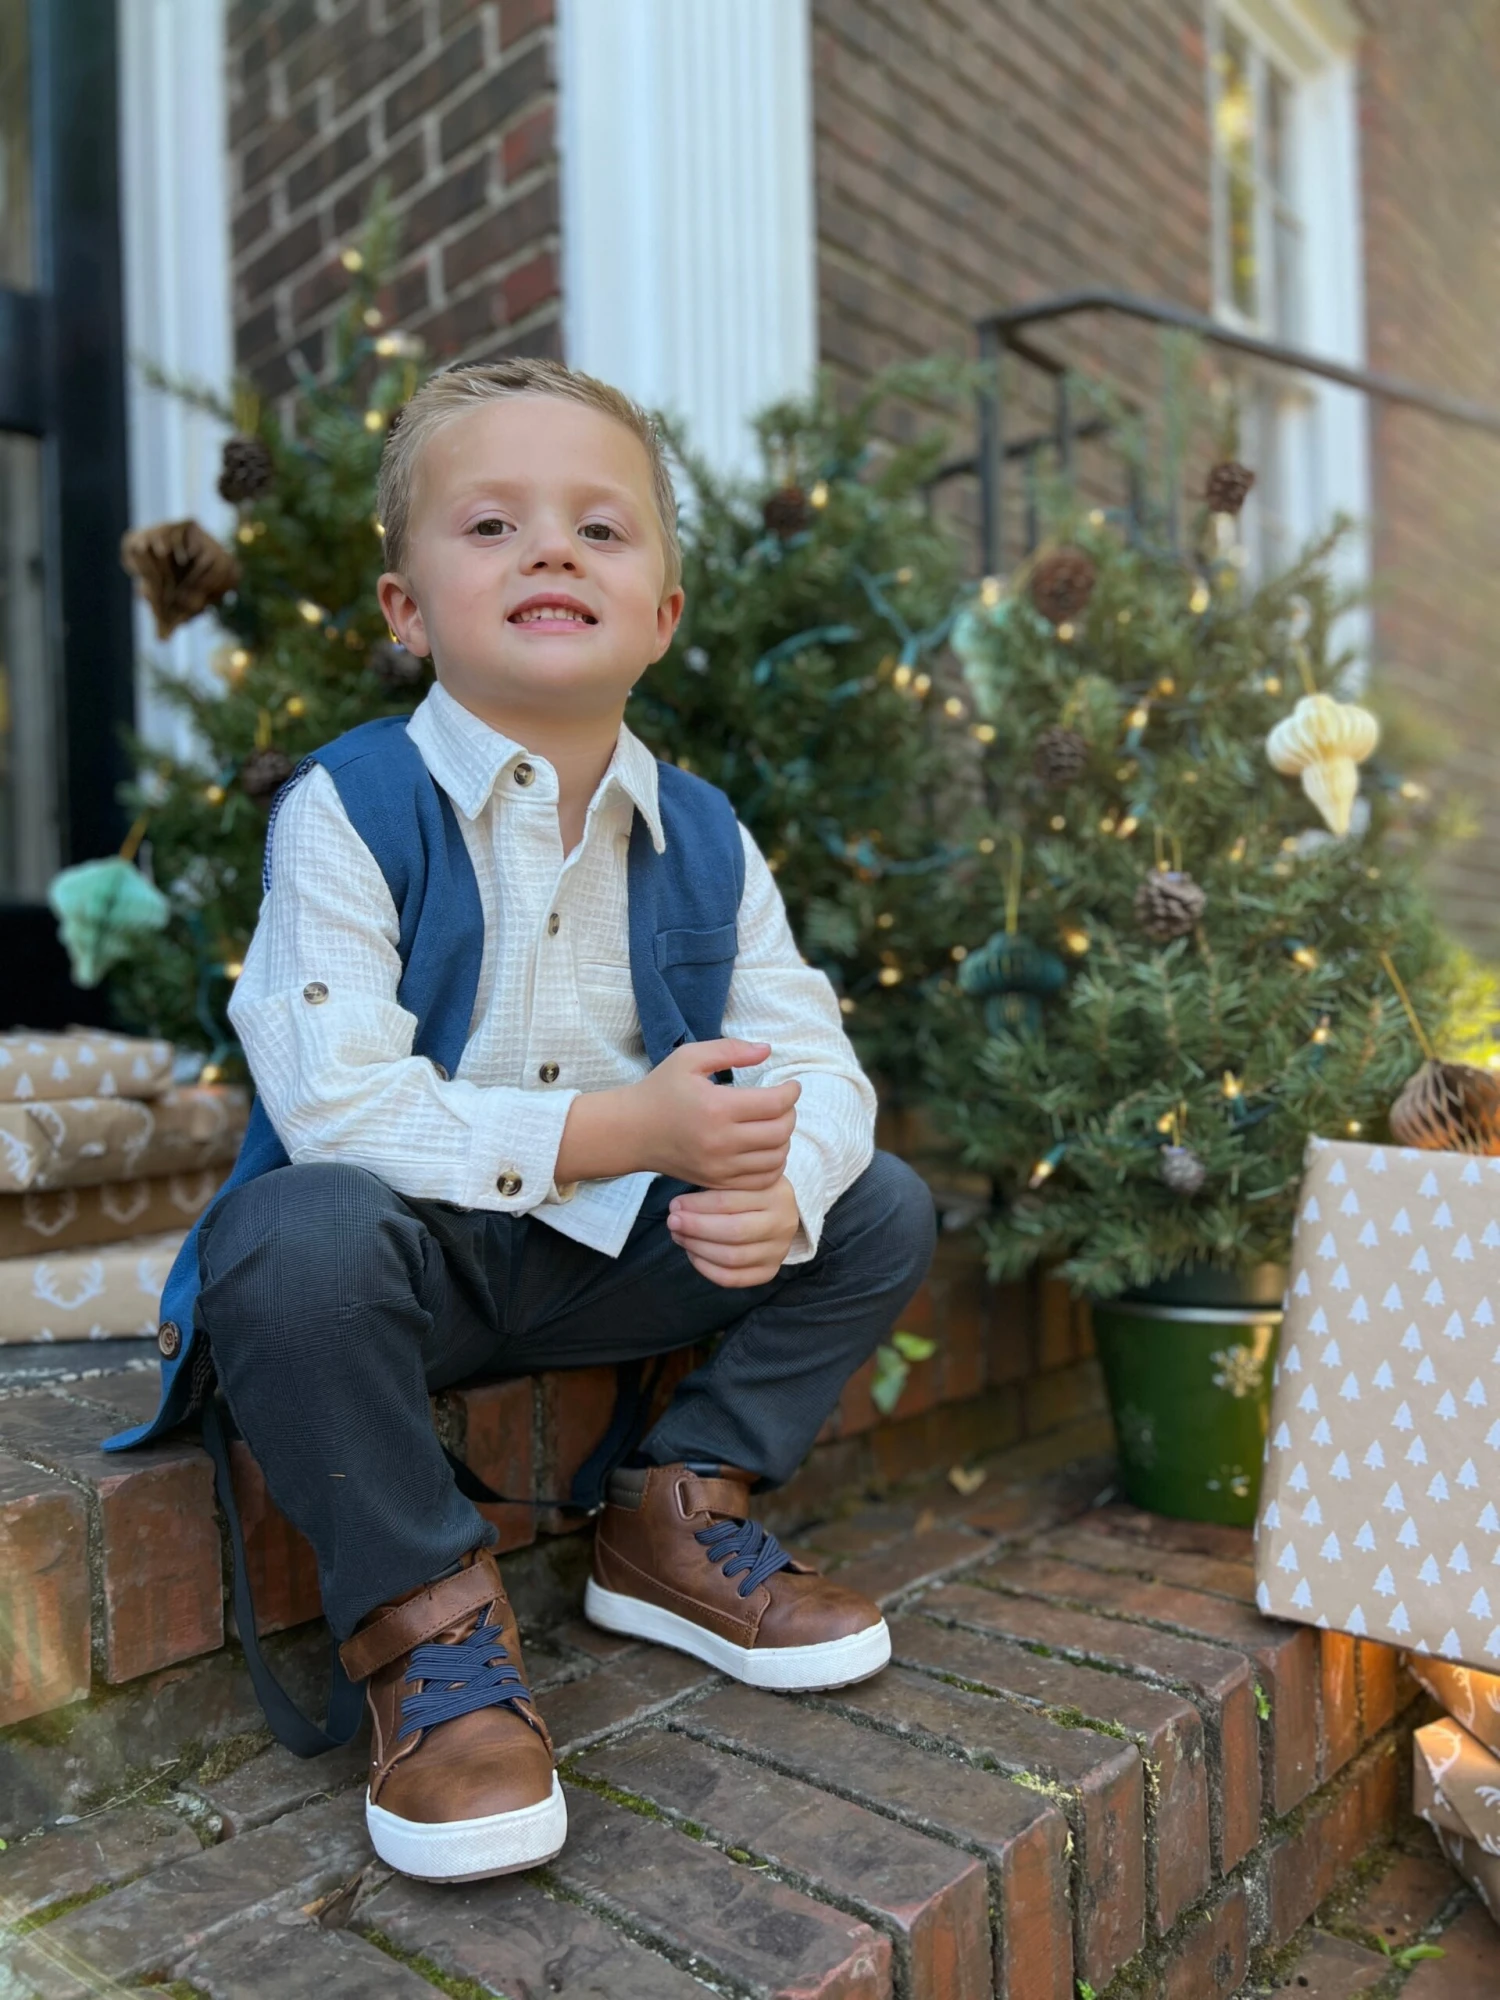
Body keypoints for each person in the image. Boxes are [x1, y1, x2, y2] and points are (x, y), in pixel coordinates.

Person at [180, 358, 935, 1884]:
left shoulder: (706, 833)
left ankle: (671, 1509)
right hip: (408, 1271)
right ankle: (425, 1626)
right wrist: (624, 1134)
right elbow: (336, 1103)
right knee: (290, 1237)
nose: (550, 552)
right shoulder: (346, 806)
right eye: (492, 526)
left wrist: (776, 1187)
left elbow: (816, 1062)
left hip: (609, 1264)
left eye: (601, 528)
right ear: (408, 612)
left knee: (876, 1202)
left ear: (661, 615)